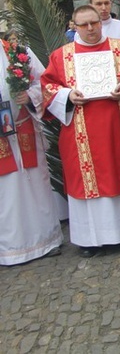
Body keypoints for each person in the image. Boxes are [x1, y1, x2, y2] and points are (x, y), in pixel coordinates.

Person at [41, 5, 120, 257]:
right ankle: (93, 239)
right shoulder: (61, 56)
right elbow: (48, 87)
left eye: (94, 22)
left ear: (101, 22)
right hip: (80, 132)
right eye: (83, 25)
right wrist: (67, 94)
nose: (90, 28)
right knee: (89, 181)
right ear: (74, 26)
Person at [1, 38, 63, 265]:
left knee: (35, 184)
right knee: (6, 193)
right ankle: (10, 248)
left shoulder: (18, 52)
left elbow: (45, 83)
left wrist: (30, 97)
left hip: (23, 126)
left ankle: (46, 240)